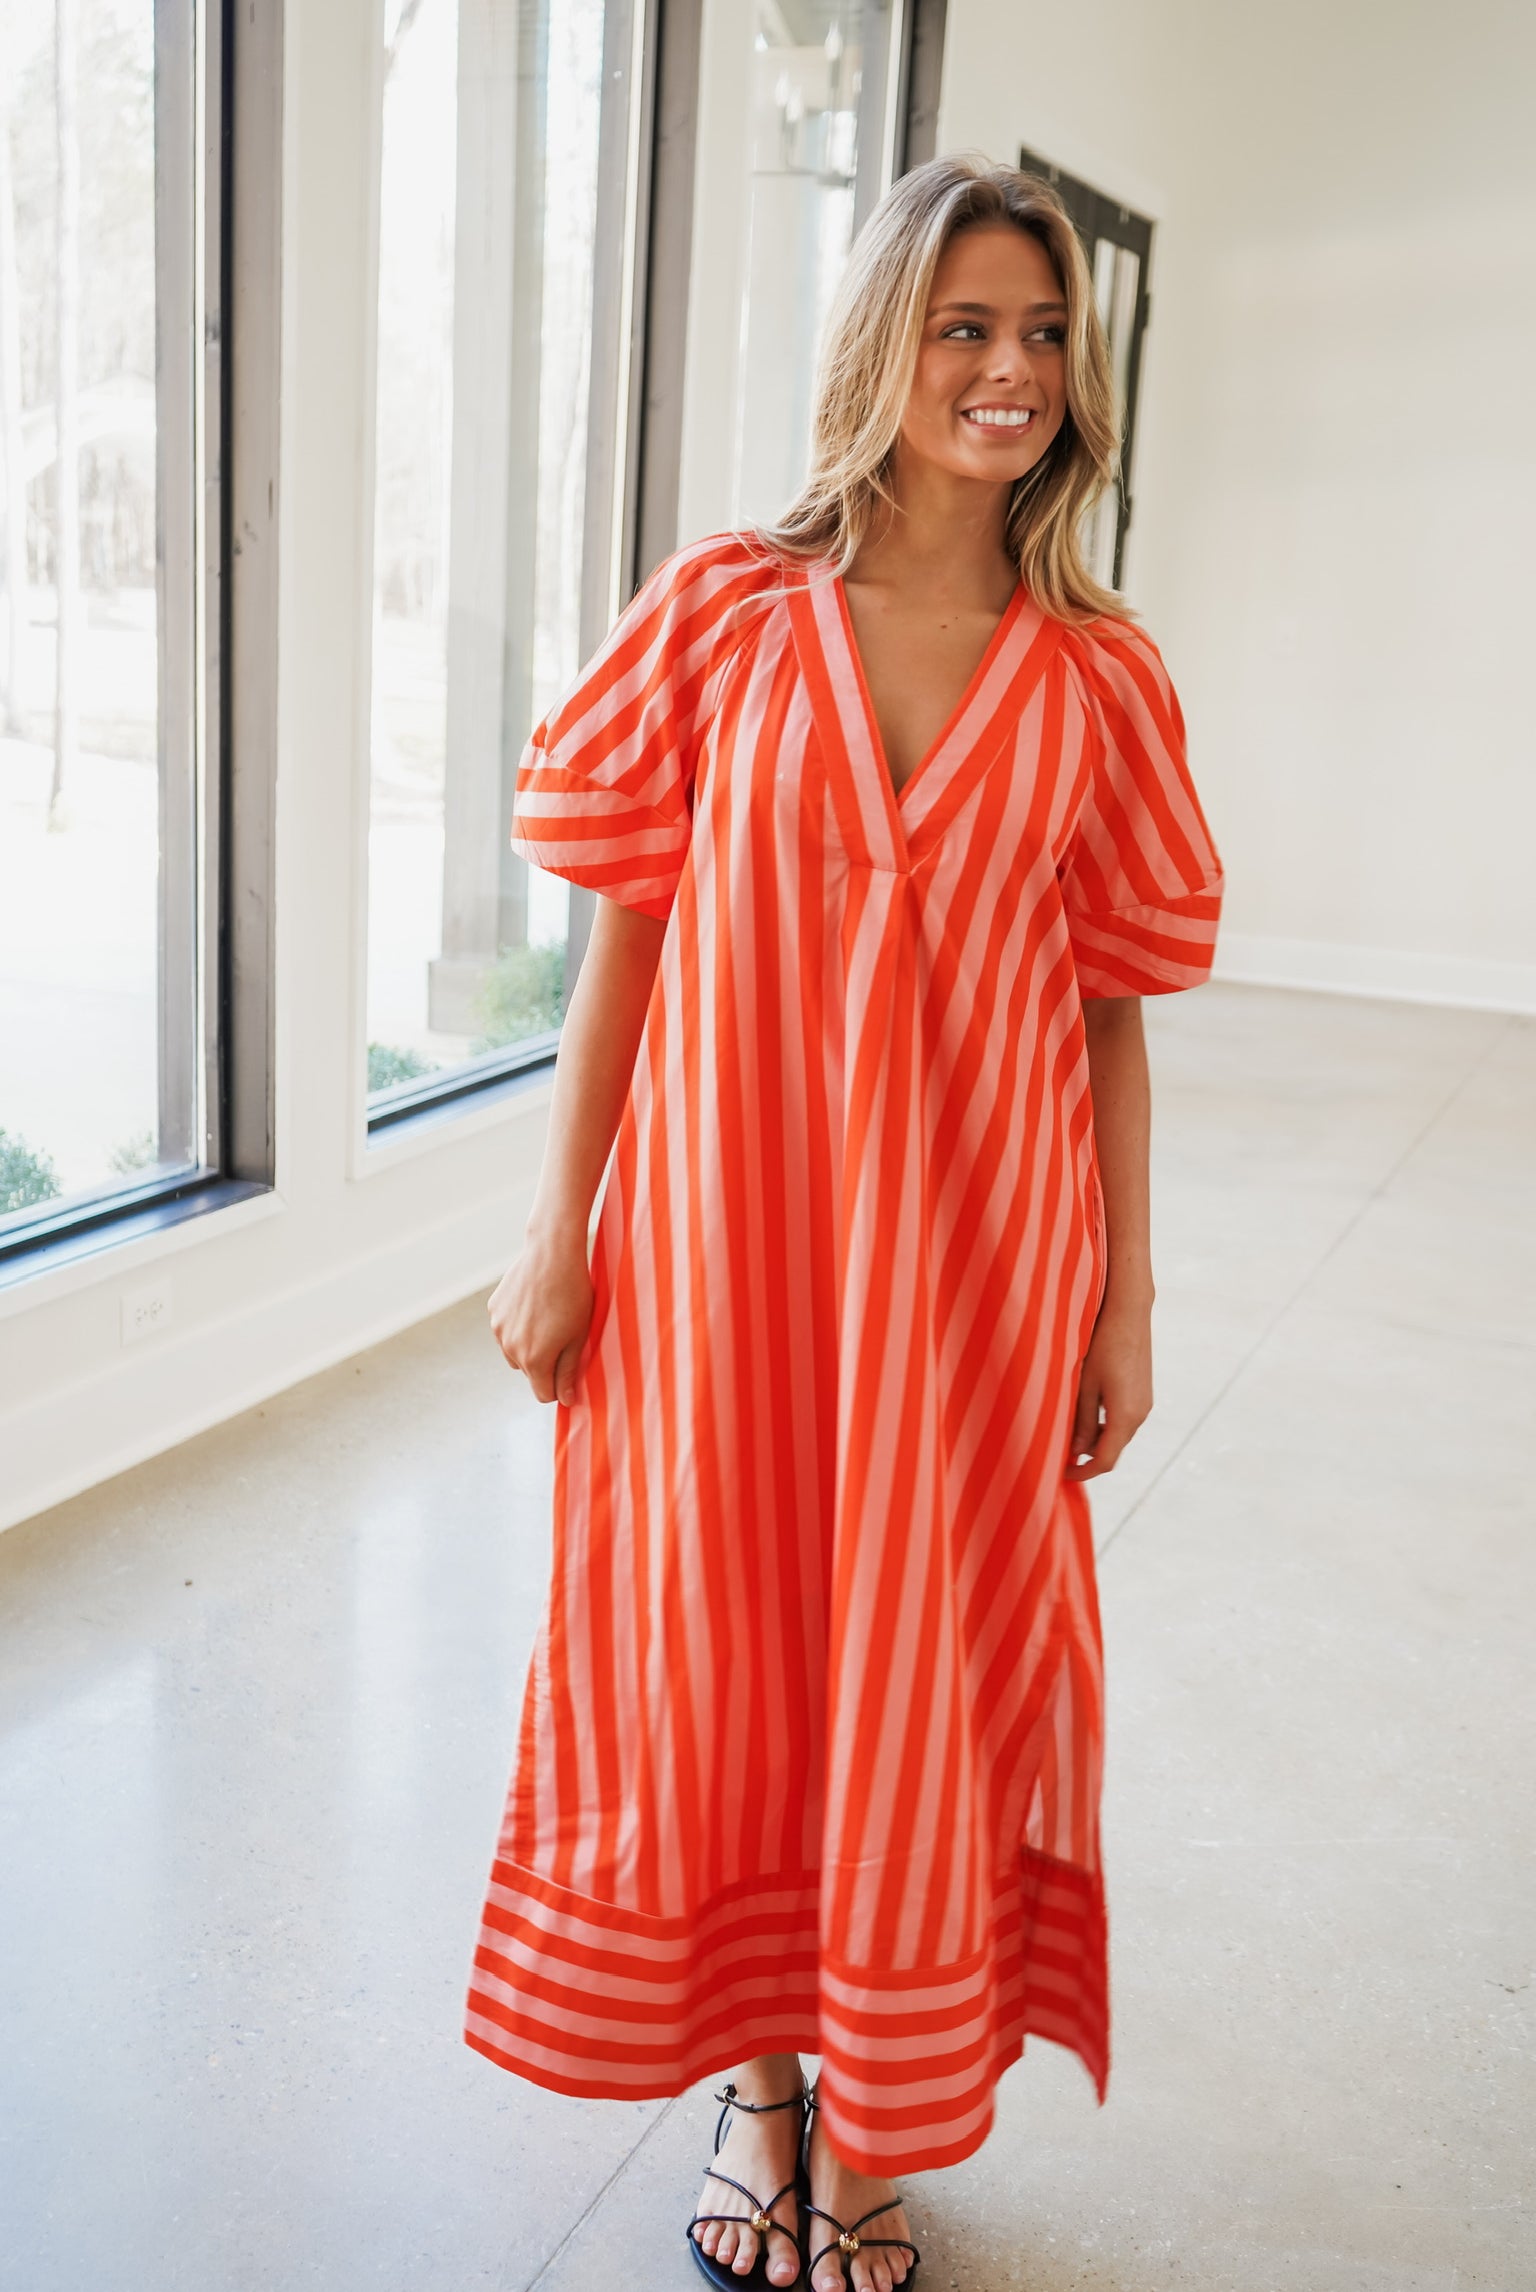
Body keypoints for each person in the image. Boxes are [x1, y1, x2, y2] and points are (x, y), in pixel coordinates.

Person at [465, 153, 1224, 2292]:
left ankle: (873, 2118)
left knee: (925, 1671)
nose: (1009, 370)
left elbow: (1109, 1017)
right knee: (725, 1656)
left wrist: (1125, 1301)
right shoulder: (721, 615)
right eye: (965, 326)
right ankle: (763, 2093)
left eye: (1044, 334)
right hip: (724, 1253)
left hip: (980, 1272)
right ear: (884, 342)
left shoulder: (1099, 677)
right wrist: (559, 1227)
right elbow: (622, 943)